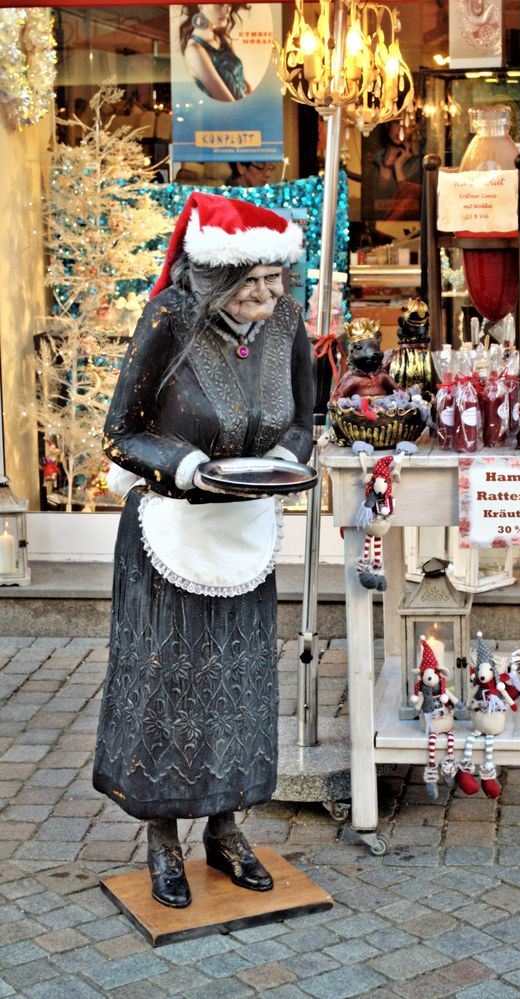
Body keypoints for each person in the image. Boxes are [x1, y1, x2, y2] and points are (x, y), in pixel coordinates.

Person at [93, 193, 313, 908]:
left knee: (241, 687)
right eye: (250, 281)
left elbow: (307, 419)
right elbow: (120, 429)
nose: (267, 294)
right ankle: (161, 842)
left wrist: (284, 458)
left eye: (274, 278)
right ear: (214, 276)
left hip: (244, 533)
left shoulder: (285, 322)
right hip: (170, 534)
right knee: (169, 688)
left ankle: (226, 828)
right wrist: (189, 467)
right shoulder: (169, 318)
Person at [180, 4, 250, 102]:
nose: (227, 9)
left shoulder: (223, 38)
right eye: (220, 3)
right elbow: (227, 102)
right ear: (200, 4)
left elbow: (244, 82)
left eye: (229, 3)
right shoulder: (194, 51)